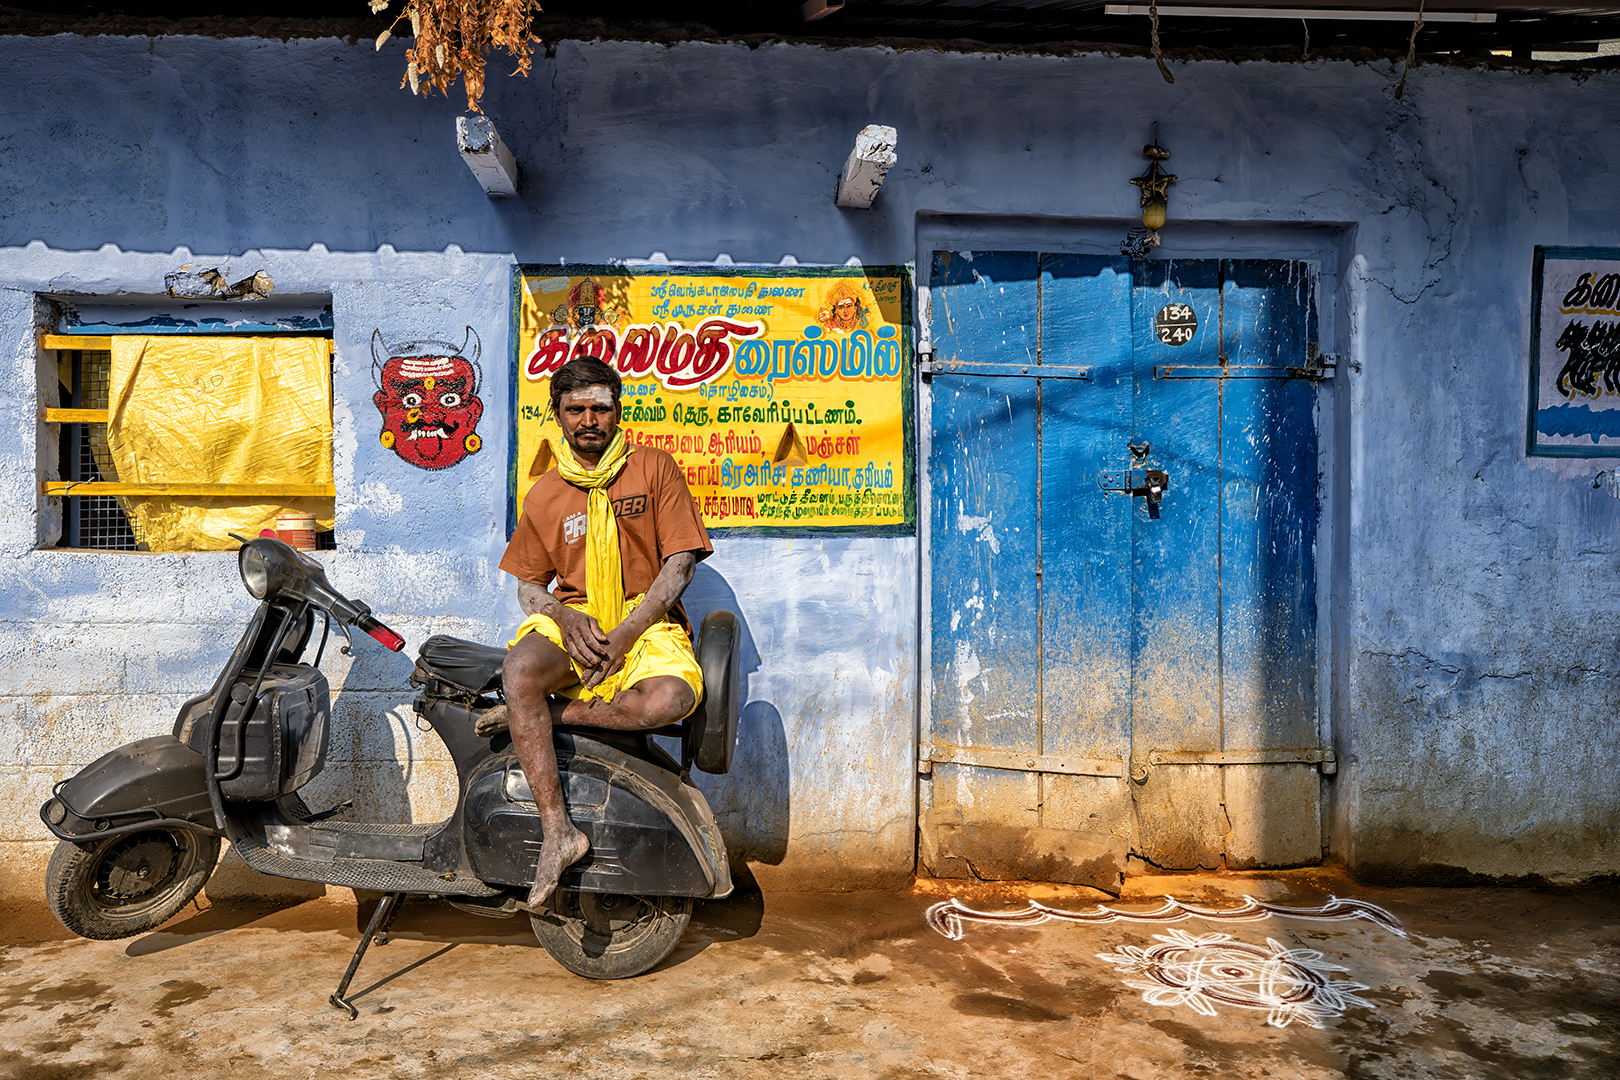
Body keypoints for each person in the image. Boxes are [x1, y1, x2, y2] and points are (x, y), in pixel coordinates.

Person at [498, 356, 712, 911]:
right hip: (577, 623)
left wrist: (625, 632)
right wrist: (567, 619)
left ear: (619, 412)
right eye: (576, 409)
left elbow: (681, 563)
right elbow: (528, 587)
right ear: (558, 415)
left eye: (600, 407)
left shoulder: (654, 468)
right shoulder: (544, 494)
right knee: (520, 670)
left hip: (644, 619)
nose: (588, 418)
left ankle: (538, 716)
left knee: (667, 701)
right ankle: (557, 832)